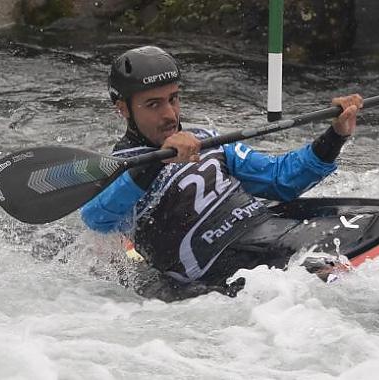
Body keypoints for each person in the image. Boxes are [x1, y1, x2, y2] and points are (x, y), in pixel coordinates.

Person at [80, 46, 363, 299]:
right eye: (153, 104)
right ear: (123, 109)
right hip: (219, 281)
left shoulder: (207, 139)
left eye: (174, 99)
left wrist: (335, 136)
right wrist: (157, 162)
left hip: (270, 239)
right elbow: (96, 217)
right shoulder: (121, 167)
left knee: (345, 276)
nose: (170, 114)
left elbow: (280, 180)